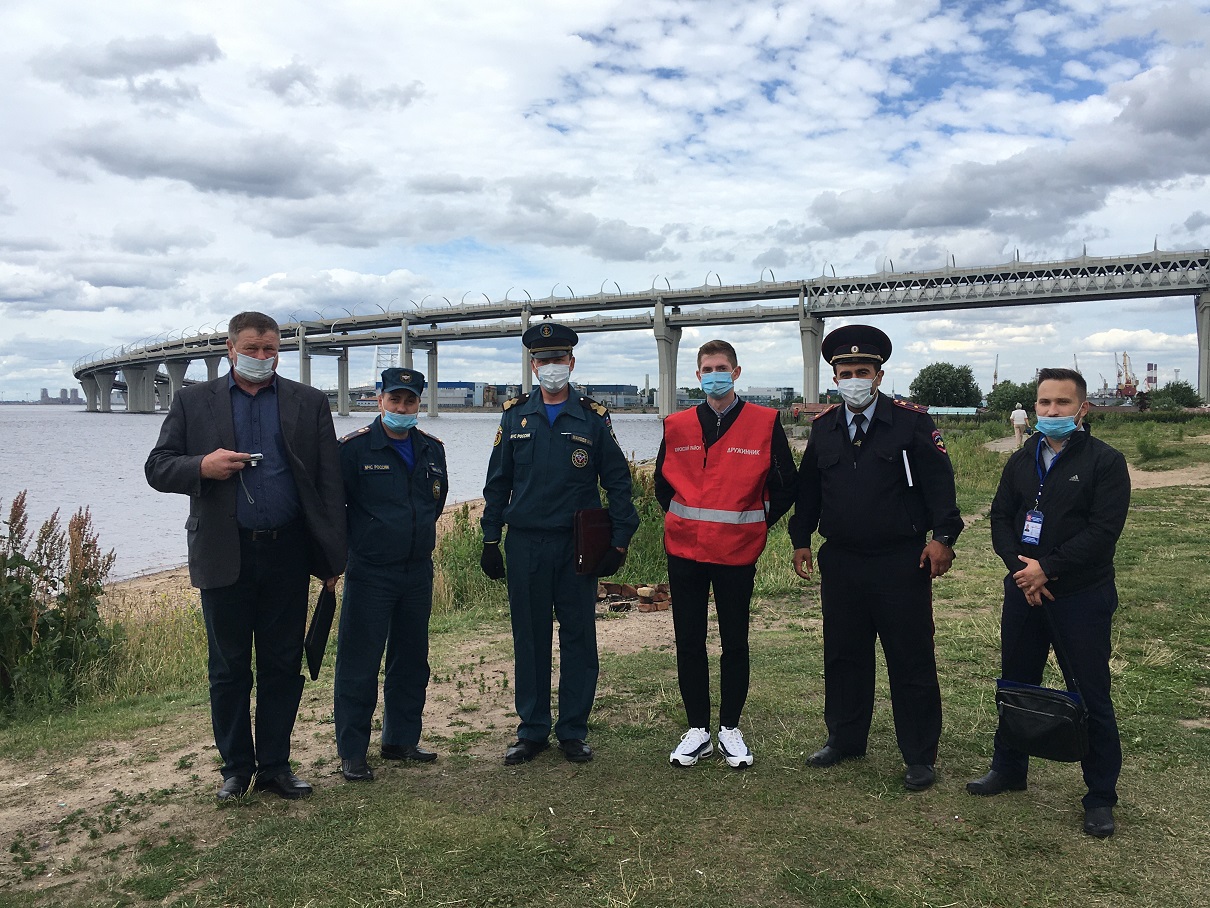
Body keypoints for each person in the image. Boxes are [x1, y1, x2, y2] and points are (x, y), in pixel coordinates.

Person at [145, 311, 345, 801]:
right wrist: (202, 466)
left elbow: (328, 480)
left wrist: (332, 556)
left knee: (282, 664)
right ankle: (236, 769)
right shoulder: (193, 401)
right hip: (224, 551)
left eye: (270, 349)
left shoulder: (309, 401)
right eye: (252, 348)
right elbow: (158, 468)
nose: (261, 357)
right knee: (229, 668)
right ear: (230, 349)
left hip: (288, 553)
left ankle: (275, 765)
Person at [789, 324, 963, 792]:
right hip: (842, 561)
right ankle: (845, 738)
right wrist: (801, 538)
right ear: (835, 378)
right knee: (844, 654)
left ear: (879, 376)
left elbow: (940, 484)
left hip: (900, 560)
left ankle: (919, 755)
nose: (854, 380)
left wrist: (944, 537)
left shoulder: (911, 423)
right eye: (845, 373)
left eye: (862, 371)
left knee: (910, 657)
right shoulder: (824, 428)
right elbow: (809, 491)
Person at [968, 368, 1130, 838]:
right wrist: (1022, 571)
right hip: (1024, 592)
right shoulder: (1022, 459)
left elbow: (1103, 532)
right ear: (1034, 407)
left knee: (1090, 693)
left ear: (1082, 409)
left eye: (1062, 403)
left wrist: (1048, 569)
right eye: (1044, 403)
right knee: (1016, 682)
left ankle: (1099, 796)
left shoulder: (1105, 462)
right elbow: (1001, 518)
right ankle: (1008, 768)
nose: (1052, 410)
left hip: (1080, 595)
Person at [480, 321, 639, 765]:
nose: (552, 366)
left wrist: (619, 541)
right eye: (544, 360)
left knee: (579, 637)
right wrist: (490, 538)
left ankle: (572, 730)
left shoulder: (592, 417)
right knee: (529, 638)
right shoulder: (514, 416)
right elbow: (497, 483)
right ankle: (532, 731)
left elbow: (618, 482)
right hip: (525, 543)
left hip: (576, 546)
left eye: (559, 359)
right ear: (534, 366)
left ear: (571, 361)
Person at [655, 339, 798, 768]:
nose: (714, 375)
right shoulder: (677, 424)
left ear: (735, 373)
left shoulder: (763, 422)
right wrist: (684, 521)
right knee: (689, 641)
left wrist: (757, 522)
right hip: (684, 550)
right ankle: (697, 729)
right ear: (697, 375)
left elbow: (786, 485)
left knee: (735, 642)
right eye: (707, 369)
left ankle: (730, 729)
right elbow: (663, 485)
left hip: (737, 551)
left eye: (722, 368)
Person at [333, 368, 447, 782]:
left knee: (411, 660)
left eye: (410, 400)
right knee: (359, 664)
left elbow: (435, 503)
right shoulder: (354, 448)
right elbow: (335, 509)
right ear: (380, 400)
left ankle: (400, 740)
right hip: (371, 571)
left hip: (417, 570)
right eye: (394, 399)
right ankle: (352, 752)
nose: (402, 407)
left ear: (419, 403)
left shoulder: (432, 449)